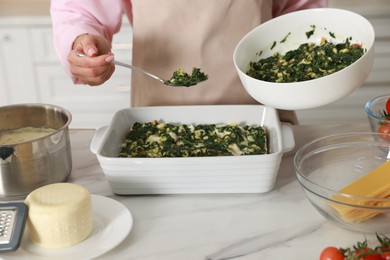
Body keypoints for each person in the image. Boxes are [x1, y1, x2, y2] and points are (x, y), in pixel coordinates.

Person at [50, 0, 327, 124]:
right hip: (158, 115)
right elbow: (80, 9)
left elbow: (299, 13)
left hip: (261, 111)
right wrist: (82, 41)